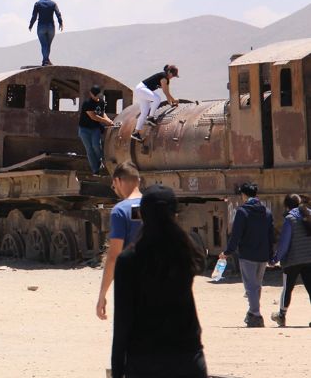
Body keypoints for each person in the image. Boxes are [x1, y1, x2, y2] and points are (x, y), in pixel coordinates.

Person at [111, 185, 208, 378]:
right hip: (187, 357)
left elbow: (122, 322)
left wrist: (117, 370)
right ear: (175, 214)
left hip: (144, 361)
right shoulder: (186, 253)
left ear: (142, 215)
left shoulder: (129, 260)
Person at [221, 182, 275, 327]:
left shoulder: (242, 211)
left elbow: (236, 235)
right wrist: (271, 255)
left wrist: (228, 252)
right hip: (263, 255)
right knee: (257, 285)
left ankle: (255, 314)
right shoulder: (267, 212)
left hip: (248, 255)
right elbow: (271, 236)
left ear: (244, 195)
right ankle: (252, 313)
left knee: (250, 286)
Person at [96, 162, 143, 320]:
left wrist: (102, 294)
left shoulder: (121, 210)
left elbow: (114, 255)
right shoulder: (156, 206)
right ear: (139, 181)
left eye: (113, 185)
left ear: (118, 181)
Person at [270, 194, 311, 327]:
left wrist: (275, 258)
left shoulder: (290, 219)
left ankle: (281, 316)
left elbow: (284, 244)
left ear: (287, 206)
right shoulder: (309, 215)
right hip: (309, 259)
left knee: (287, 289)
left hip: (292, 260)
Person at [131, 64, 179, 143]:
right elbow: (165, 92)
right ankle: (150, 118)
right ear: (169, 72)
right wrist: (174, 100)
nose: (173, 77)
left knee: (144, 113)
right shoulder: (164, 77)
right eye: (173, 75)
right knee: (157, 99)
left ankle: (136, 133)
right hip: (141, 89)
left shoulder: (166, 79)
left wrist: (171, 103)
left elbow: (167, 93)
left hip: (141, 91)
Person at [78, 85, 114, 175]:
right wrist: (105, 121)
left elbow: (102, 113)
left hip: (95, 129)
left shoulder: (101, 102)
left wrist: (108, 120)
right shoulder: (87, 103)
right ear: (91, 94)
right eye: (95, 95)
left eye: (98, 95)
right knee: (89, 150)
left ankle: (101, 162)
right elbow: (93, 116)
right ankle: (95, 170)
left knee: (96, 146)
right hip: (84, 130)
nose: (96, 96)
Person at [28, 0, 63, 66]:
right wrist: (61, 23)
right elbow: (58, 14)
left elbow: (34, 16)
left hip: (41, 27)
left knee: (44, 44)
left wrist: (31, 25)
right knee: (48, 45)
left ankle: (45, 61)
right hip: (51, 27)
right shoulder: (53, 3)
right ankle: (46, 60)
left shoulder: (37, 4)